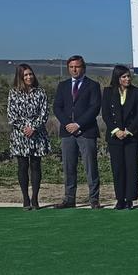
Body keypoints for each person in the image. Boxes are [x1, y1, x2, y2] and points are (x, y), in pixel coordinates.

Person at [52, 55, 102, 209]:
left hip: (86, 131)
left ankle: (94, 199)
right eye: (71, 67)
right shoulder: (63, 85)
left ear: (83, 67)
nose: (74, 69)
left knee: (90, 166)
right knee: (68, 166)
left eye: (77, 66)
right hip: (67, 132)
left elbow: (94, 108)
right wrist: (68, 124)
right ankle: (69, 198)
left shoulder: (93, 85)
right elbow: (57, 107)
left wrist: (78, 124)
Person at [6, 63, 51, 210]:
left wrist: (34, 127)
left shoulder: (40, 92)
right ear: (20, 77)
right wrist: (23, 128)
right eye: (25, 75)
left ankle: (35, 198)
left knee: (36, 165)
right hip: (20, 135)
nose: (29, 77)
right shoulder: (13, 93)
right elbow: (11, 115)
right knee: (22, 165)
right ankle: (25, 198)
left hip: (36, 134)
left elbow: (44, 113)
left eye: (30, 74)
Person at [101, 65, 138, 210]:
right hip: (115, 137)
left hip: (132, 136)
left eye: (128, 76)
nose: (127, 79)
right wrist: (116, 130)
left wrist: (128, 130)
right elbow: (106, 114)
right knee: (118, 168)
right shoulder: (108, 92)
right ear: (117, 78)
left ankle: (130, 199)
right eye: (124, 77)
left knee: (131, 168)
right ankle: (120, 199)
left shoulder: (137, 92)